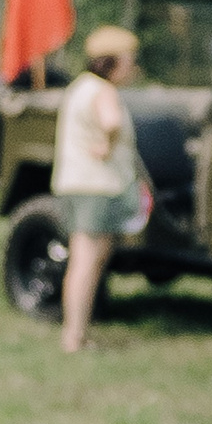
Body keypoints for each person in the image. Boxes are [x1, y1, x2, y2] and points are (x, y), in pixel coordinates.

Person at [56, 24, 146, 352]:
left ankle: (75, 333)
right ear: (114, 62)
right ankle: (75, 336)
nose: (132, 67)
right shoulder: (104, 91)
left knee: (82, 260)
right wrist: (107, 145)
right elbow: (112, 123)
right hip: (98, 186)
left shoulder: (79, 87)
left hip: (74, 184)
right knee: (87, 262)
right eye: (128, 60)